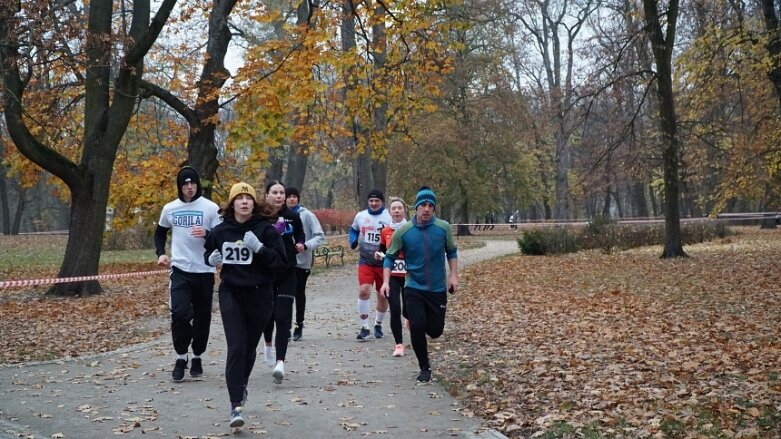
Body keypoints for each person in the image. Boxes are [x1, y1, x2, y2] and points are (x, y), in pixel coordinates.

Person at [203, 182, 287, 428]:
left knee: (249, 349)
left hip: (260, 295)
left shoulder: (266, 230)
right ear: (232, 204)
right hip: (231, 294)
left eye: (248, 198)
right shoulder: (221, 231)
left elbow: (280, 264)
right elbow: (207, 253)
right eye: (239, 198)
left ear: (254, 203)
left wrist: (260, 248)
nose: (244, 202)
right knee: (237, 347)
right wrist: (211, 259)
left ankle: (241, 386)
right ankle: (235, 405)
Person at [379, 186, 458, 384]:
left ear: (434, 208)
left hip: (437, 289)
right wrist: (386, 282)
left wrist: (453, 276)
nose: (426, 209)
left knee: (435, 331)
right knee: (417, 326)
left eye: (430, 205)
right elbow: (388, 258)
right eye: (423, 205)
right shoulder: (404, 232)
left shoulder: (443, 228)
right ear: (416, 207)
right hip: (413, 286)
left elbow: (452, 251)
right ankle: (425, 367)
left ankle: (415, 318)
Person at [154, 166, 221, 382]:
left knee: (202, 318)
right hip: (180, 270)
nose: (189, 188)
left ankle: (197, 355)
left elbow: (222, 236)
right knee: (180, 314)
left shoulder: (210, 208)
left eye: (192, 183)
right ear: (180, 186)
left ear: (198, 184)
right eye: (185, 184)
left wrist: (208, 233)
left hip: (204, 270)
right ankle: (181, 357)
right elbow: (160, 231)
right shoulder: (170, 208)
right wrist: (161, 253)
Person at [261, 181, 305, 384]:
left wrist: (301, 243)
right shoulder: (260, 217)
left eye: (282, 193)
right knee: (267, 315)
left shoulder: (292, 216)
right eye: (275, 193)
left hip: (288, 270)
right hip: (266, 272)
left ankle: (280, 362)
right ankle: (268, 345)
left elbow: (301, 234)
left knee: (283, 317)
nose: (279, 196)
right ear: (267, 195)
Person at [349, 189, 392, 340]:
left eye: (377, 201)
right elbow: (353, 229)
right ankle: (365, 327)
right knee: (363, 291)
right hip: (365, 260)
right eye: (371, 201)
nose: (374, 203)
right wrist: (352, 240)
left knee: (382, 295)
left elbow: (401, 231)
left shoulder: (389, 216)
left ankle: (378, 324)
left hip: (385, 263)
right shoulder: (361, 216)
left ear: (382, 202)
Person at [285, 187, 326, 342]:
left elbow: (320, 236)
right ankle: (286, 327)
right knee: (285, 294)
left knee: (298, 293)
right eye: (289, 196)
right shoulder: (279, 216)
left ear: (298, 198)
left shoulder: (307, 215)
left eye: (294, 196)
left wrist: (306, 245)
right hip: (284, 262)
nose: (291, 199)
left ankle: (299, 324)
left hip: (302, 261)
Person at [375, 197, 408, 357]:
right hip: (393, 275)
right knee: (395, 308)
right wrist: (379, 254)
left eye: (399, 208)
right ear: (390, 212)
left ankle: (409, 318)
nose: (396, 211)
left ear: (404, 211)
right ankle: (399, 344)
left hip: (410, 275)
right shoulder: (386, 231)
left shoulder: (411, 228)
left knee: (409, 310)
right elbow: (382, 248)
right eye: (393, 208)